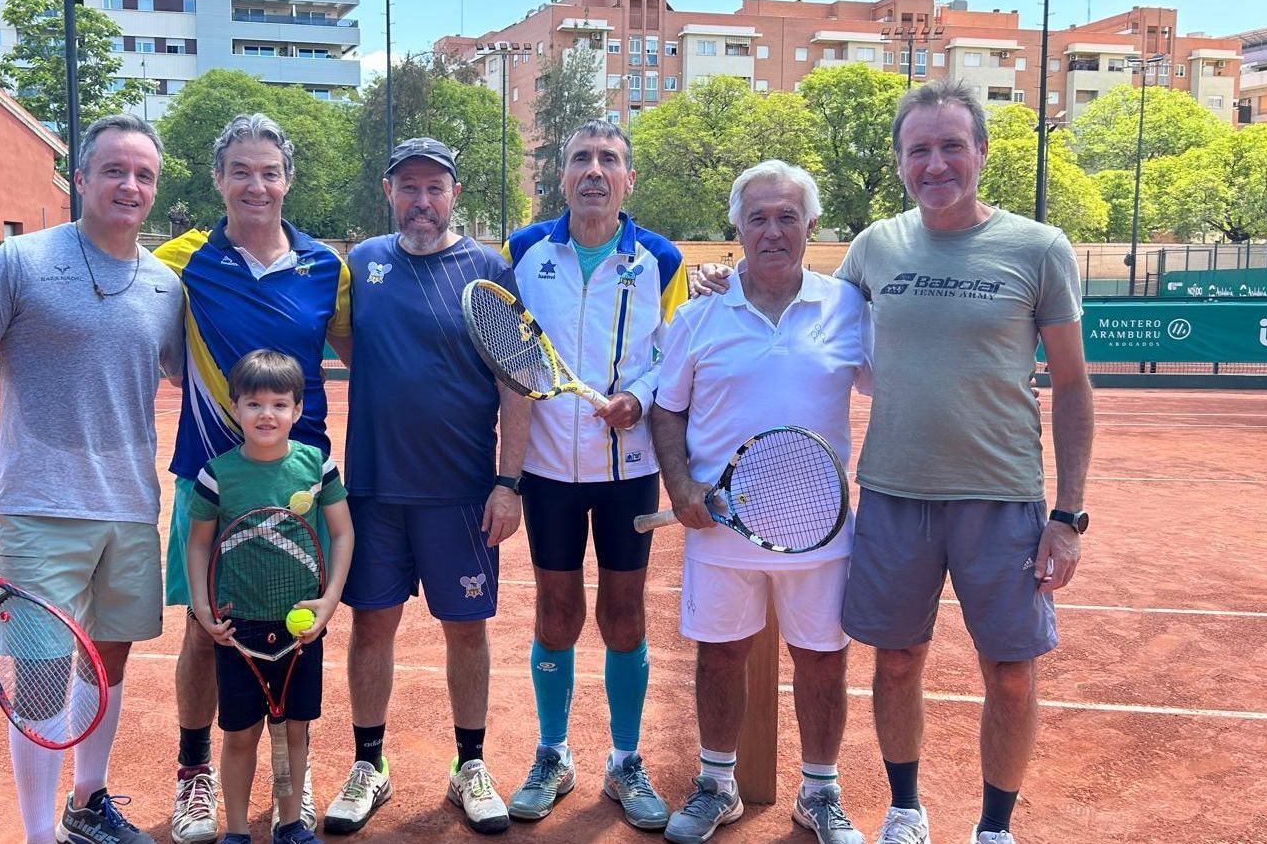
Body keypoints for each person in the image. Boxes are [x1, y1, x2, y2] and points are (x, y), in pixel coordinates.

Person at [698, 80, 1095, 844]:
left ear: (981, 152)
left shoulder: (1040, 249)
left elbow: (1074, 387)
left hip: (1003, 498)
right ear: (901, 162)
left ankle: (994, 828)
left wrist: (1068, 516)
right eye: (920, 149)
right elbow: (796, 301)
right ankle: (905, 810)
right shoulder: (875, 247)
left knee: (1011, 671)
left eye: (951, 145)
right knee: (898, 661)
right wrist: (725, 277)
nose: (936, 163)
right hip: (892, 496)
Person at [0, 114, 350, 844]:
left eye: (269, 171)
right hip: (208, 485)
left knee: (298, 632)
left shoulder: (328, 266)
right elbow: (103, 261)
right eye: (240, 171)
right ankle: (193, 774)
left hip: (296, 489)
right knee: (206, 630)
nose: (255, 184)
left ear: (288, 180)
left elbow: (366, 346)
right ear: (217, 179)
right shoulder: (178, 261)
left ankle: (294, 776)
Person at [0, 113, 183, 844]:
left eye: (143, 175)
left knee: (109, 662)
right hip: (36, 507)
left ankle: (87, 806)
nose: (129, 185)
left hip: (131, 509)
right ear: (81, 178)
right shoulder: (19, 262)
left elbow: (197, 380)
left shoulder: (166, 287)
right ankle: (41, 836)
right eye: (114, 170)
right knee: (40, 678)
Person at [651, 161, 870, 844]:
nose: (772, 231)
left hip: (821, 534)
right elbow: (666, 411)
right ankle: (717, 784)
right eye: (758, 218)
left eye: (786, 217)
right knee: (719, 656)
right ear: (738, 229)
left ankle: (820, 792)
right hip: (721, 532)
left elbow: (896, 387)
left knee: (823, 659)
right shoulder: (697, 314)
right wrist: (681, 486)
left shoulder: (849, 307)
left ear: (810, 226)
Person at [322, 138, 530, 837]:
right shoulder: (364, 264)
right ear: (388, 192)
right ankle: (369, 765)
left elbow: (515, 383)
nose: (422, 200)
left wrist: (509, 483)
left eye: (434, 188)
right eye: (408, 186)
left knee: (465, 632)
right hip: (377, 491)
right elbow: (353, 347)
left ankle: (469, 764)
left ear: (455, 194)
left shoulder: (489, 269)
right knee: (370, 627)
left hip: (463, 493)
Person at [499, 119, 685, 830]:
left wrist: (640, 394)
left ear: (629, 179)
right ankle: (552, 753)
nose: (595, 171)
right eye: (582, 159)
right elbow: (511, 353)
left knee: (624, 614)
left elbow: (678, 352)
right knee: (555, 611)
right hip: (546, 469)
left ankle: (624, 759)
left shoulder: (661, 260)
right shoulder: (523, 250)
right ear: (563, 175)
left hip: (628, 470)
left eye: (610, 159)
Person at [182, 349, 354, 844]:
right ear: (235, 408)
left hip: (301, 625)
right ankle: (236, 831)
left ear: (298, 410)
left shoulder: (317, 466)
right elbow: (197, 545)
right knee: (239, 735)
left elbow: (343, 534)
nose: (267, 415)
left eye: (280, 404)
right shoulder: (217, 474)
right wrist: (202, 606)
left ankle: (290, 825)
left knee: (294, 732)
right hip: (239, 630)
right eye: (254, 404)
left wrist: (330, 600)